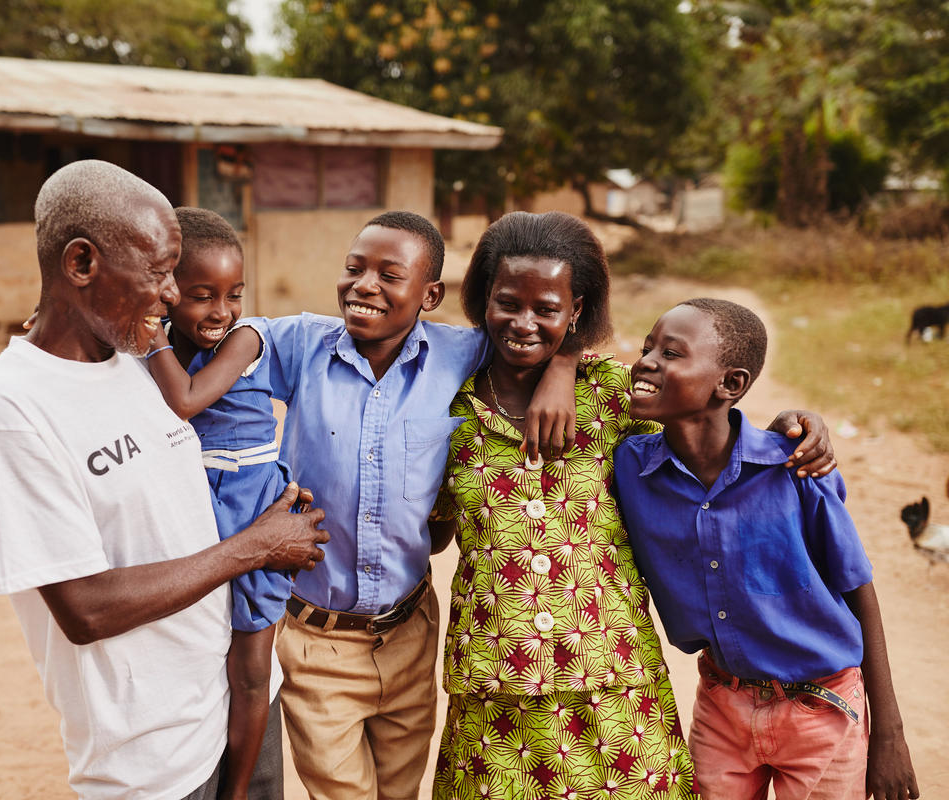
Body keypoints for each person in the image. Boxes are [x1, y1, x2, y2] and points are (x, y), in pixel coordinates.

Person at [428, 212, 834, 800]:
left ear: (576, 310)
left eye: (547, 309)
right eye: (506, 303)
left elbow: (711, 428)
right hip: (496, 684)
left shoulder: (615, 394)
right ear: (482, 298)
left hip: (615, 683)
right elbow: (431, 526)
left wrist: (798, 426)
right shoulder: (446, 407)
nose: (523, 323)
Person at [0, 160, 328, 800]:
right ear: (81, 264)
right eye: (158, 274)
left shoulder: (139, 361)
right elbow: (85, 609)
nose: (170, 296)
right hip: (150, 758)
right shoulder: (13, 408)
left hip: (234, 707)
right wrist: (258, 547)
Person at [240, 210, 587, 800]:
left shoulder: (461, 355)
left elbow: (536, 327)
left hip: (409, 631)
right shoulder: (303, 346)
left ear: (430, 295)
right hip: (314, 639)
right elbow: (231, 333)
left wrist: (563, 365)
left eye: (388, 274)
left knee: (401, 789)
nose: (365, 285)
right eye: (354, 269)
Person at [614, 298, 920, 800]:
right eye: (648, 347)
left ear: (730, 385)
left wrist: (889, 735)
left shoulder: (795, 469)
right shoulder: (630, 467)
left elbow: (858, 587)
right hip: (722, 704)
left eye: (671, 353)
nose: (646, 361)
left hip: (823, 708)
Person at [141, 207, 292, 800]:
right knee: (194, 653)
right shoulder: (148, 353)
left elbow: (186, 401)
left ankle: (236, 792)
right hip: (199, 514)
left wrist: (152, 337)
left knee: (251, 671)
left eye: (234, 294)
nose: (222, 311)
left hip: (254, 514)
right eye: (203, 295)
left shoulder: (244, 342)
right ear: (169, 290)